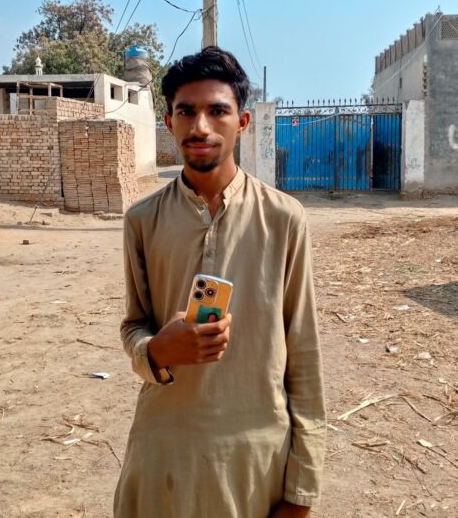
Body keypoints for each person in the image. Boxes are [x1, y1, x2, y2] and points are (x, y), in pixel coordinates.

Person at [114, 47, 326, 517]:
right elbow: (134, 325)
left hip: (255, 456)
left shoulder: (284, 219)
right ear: (168, 122)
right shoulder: (142, 220)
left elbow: (304, 353)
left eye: (217, 111)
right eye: (186, 112)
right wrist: (157, 350)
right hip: (164, 450)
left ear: (243, 122)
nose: (200, 127)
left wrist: (302, 490)